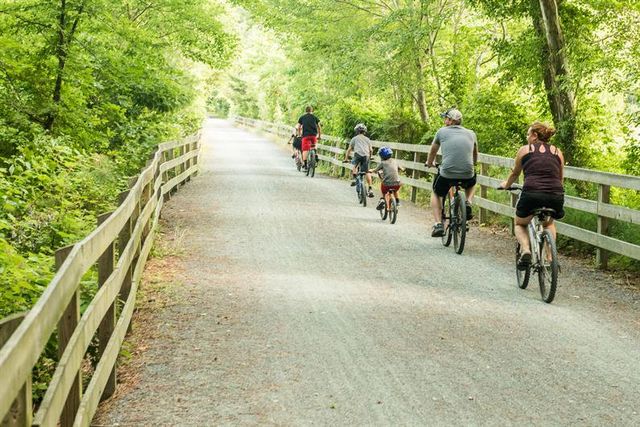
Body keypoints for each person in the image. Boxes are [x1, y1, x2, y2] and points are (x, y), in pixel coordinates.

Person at [499, 121, 565, 269]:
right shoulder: (557, 152)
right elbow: (560, 178)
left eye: (528, 134)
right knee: (548, 223)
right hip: (555, 194)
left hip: (532, 193)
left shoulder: (525, 150)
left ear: (535, 136)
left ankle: (526, 250)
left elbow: (515, 173)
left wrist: (506, 185)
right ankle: (550, 258)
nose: (527, 137)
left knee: (520, 223)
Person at [425, 108, 478, 237]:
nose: (444, 121)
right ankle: (468, 203)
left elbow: (433, 150)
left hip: (447, 173)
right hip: (467, 172)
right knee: (472, 183)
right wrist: (474, 164)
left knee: (436, 192)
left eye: (446, 118)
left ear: (450, 120)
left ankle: (438, 224)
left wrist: (429, 162)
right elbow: (475, 153)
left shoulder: (441, 132)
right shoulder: (471, 133)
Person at [344, 123, 374, 198]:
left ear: (356, 131)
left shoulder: (354, 138)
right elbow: (371, 150)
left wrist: (346, 159)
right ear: (365, 131)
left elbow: (349, 149)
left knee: (354, 165)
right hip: (366, 156)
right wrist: (370, 157)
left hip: (358, 155)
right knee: (367, 172)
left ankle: (354, 179)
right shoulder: (367, 139)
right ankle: (370, 189)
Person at [371, 146, 402, 211]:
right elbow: (401, 168)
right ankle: (398, 202)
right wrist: (402, 169)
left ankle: (383, 200)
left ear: (381, 156)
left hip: (386, 185)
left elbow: (375, 170)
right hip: (397, 184)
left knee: (384, 190)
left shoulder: (383, 163)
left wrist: (370, 170)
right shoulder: (395, 161)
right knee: (396, 190)